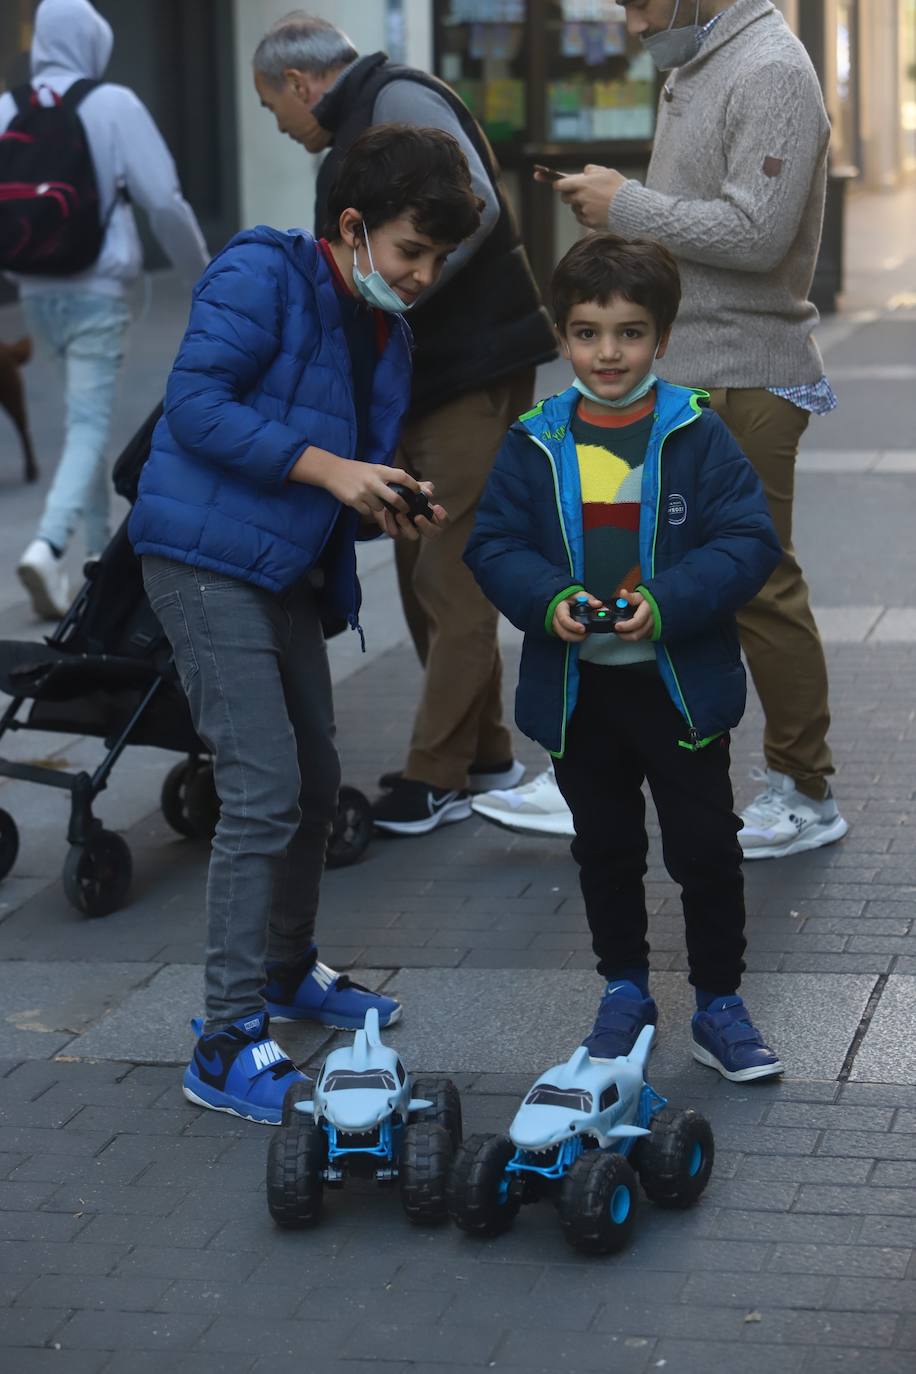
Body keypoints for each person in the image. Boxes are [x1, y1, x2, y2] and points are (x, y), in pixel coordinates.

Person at [129, 125, 482, 1124]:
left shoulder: (384, 326)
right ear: (351, 226)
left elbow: (333, 456)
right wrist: (333, 470)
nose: (419, 277)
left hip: (276, 567)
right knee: (263, 791)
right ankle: (225, 1038)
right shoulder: (262, 271)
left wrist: (381, 495)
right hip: (200, 563)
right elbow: (195, 405)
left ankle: (286, 974)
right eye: (410, 253)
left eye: (436, 262)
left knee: (317, 780)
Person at [526, 0, 848, 862]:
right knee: (644, 563)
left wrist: (626, 203)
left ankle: (805, 788)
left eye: (638, 2)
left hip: (748, 369)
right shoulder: (700, 61)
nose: (631, 22)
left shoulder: (772, 68)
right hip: (692, 367)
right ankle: (599, 761)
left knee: (757, 578)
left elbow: (757, 231)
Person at [465, 233, 784, 1082]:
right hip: (581, 695)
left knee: (706, 848)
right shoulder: (535, 441)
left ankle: (719, 1002)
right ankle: (624, 991)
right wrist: (548, 599)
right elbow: (493, 544)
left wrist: (668, 602)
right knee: (604, 847)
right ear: (565, 337)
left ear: (662, 338)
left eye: (630, 332)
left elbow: (749, 540)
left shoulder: (696, 433)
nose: (609, 352)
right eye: (588, 332)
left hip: (678, 689)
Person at [252, 13, 558, 836]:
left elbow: (478, 210)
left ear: (298, 83)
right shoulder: (366, 115)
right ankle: (485, 753)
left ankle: (434, 775)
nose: (277, 127)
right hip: (429, 375)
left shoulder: (394, 100)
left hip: (471, 368)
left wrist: (402, 290)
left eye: (271, 107)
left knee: (451, 573)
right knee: (425, 559)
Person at [0, 0, 208, 620]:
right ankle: (49, 544)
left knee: (78, 423)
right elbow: (163, 200)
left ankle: (93, 564)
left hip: (37, 289)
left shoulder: (8, 106)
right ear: (94, 41)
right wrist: (205, 276)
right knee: (89, 426)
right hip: (98, 291)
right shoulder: (113, 104)